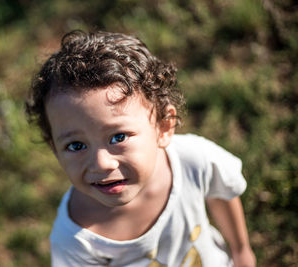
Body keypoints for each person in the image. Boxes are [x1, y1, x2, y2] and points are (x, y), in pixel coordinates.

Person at [25, 30, 256, 267]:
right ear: (55, 149)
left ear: (163, 126)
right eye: (76, 145)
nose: (102, 163)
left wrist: (241, 251)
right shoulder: (76, 239)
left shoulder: (193, 160)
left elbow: (222, 193)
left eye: (118, 137)